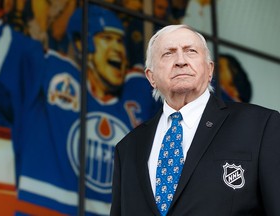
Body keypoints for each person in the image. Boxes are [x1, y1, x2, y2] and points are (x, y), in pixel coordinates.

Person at [0, 3, 160, 216]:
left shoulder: (138, 92)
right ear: (82, 44)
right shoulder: (50, 72)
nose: (118, 48)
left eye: (120, 41)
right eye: (107, 39)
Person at [110, 24, 280, 216]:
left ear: (209, 70)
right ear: (151, 77)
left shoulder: (260, 125)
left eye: (190, 51)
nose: (180, 61)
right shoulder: (128, 148)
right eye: (168, 53)